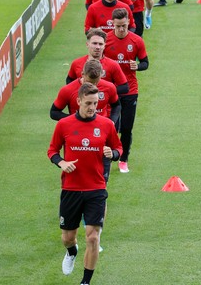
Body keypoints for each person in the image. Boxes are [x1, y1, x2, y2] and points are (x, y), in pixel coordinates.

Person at [47, 82, 123, 284]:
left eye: (95, 103)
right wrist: (61, 162)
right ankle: (72, 251)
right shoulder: (64, 125)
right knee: (67, 238)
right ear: (78, 101)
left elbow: (118, 147)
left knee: (92, 237)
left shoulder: (106, 125)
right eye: (88, 103)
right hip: (71, 189)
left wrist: (113, 154)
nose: (92, 107)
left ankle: (85, 282)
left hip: (96, 188)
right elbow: (52, 151)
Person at [105, 8, 149, 173]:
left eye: (124, 26)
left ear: (129, 23)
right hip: (111, 91)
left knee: (127, 127)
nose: (122, 29)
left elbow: (146, 63)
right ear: (113, 24)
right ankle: (110, 155)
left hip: (130, 90)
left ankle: (124, 160)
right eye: (118, 26)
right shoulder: (106, 40)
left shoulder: (137, 41)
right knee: (111, 126)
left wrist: (137, 66)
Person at [50, 59, 121, 126]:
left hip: (101, 129)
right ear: (82, 74)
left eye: (96, 82)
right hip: (77, 130)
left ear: (101, 75)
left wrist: (112, 120)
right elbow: (54, 112)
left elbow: (116, 105)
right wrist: (75, 119)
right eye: (89, 82)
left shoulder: (109, 87)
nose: (93, 85)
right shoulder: (68, 90)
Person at [66, 28, 129, 97]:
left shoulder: (113, 64)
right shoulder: (76, 63)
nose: (98, 47)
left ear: (104, 46)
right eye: (94, 43)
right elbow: (69, 81)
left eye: (100, 44)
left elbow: (125, 87)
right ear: (87, 44)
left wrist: (105, 91)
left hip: (105, 106)